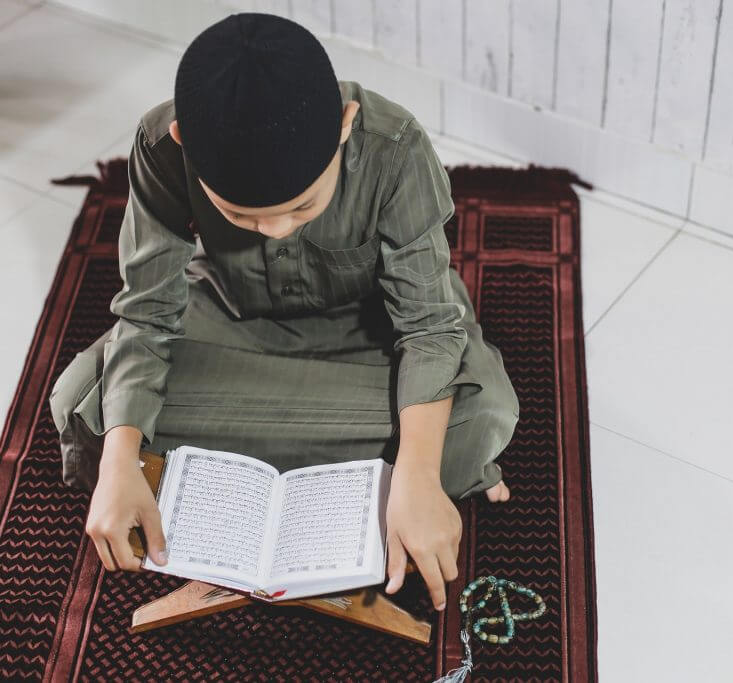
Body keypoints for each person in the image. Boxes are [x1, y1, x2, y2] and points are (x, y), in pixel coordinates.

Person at [47, 12, 520, 614]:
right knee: (81, 405)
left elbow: (427, 327)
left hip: (374, 337)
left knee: (483, 408)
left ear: (344, 128)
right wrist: (118, 456)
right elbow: (147, 316)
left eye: (301, 207)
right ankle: (370, 487)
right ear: (185, 142)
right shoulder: (161, 147)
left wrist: (423, 472)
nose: (272, 232)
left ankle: (209, 482)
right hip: (226, 323)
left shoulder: (393, 145)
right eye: (242, 217)